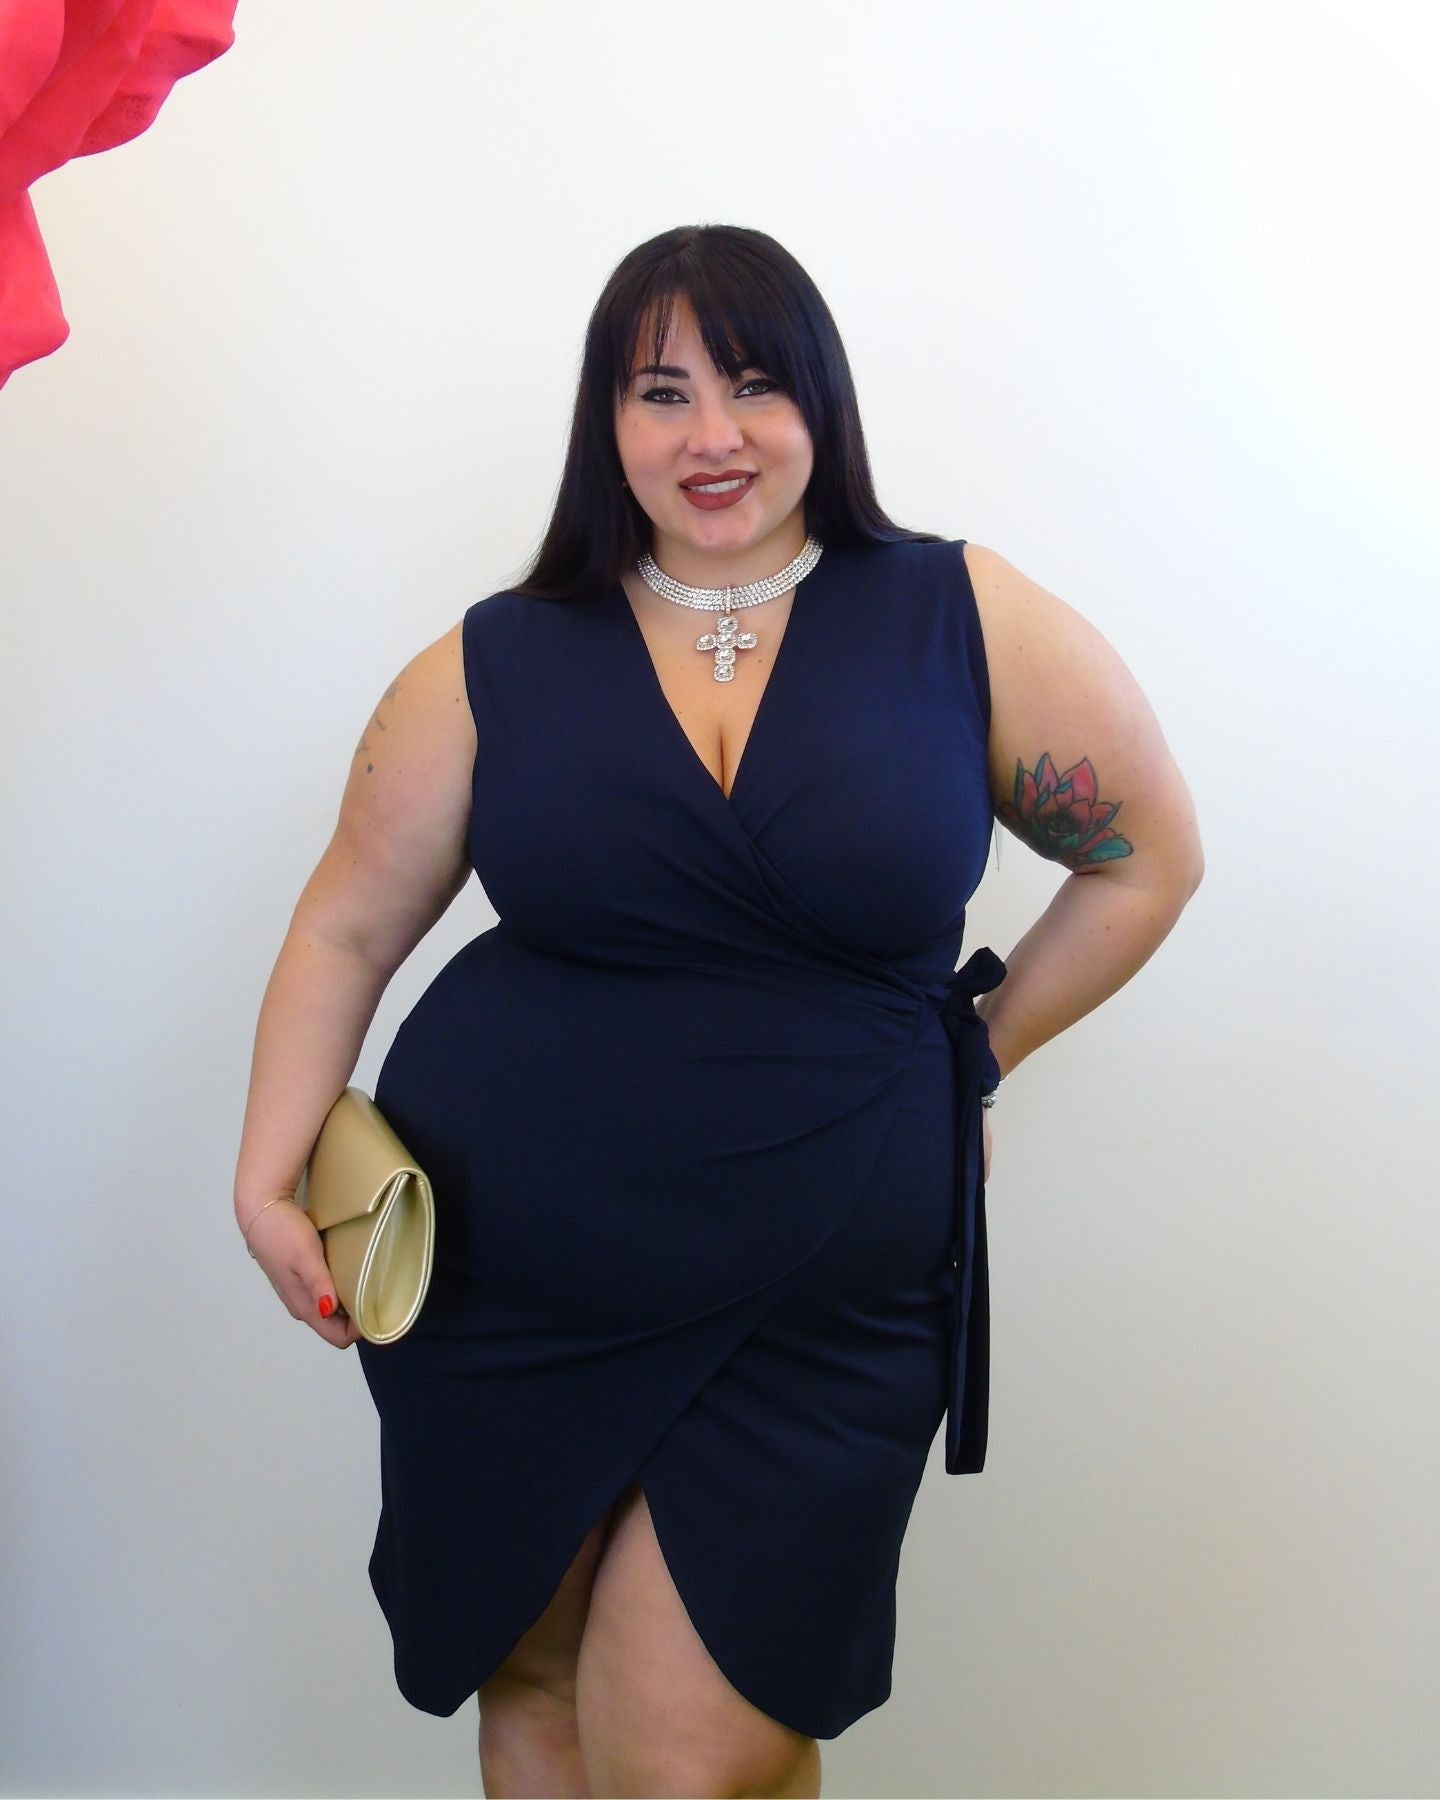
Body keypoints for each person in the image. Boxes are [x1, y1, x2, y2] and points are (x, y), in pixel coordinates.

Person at [233, 223, 1204, 1799]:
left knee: (695, 1757)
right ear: (606, 424)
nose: (713, 436)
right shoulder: (493, 660)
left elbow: (1146, 859)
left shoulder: (960, 616)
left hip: (818, 1306)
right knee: (532, 1687)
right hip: (508, 1277)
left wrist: (976, 1051)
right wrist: (265, 1172)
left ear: (821, 400)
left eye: (754, 385)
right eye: (662, 393)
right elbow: (346, 924)